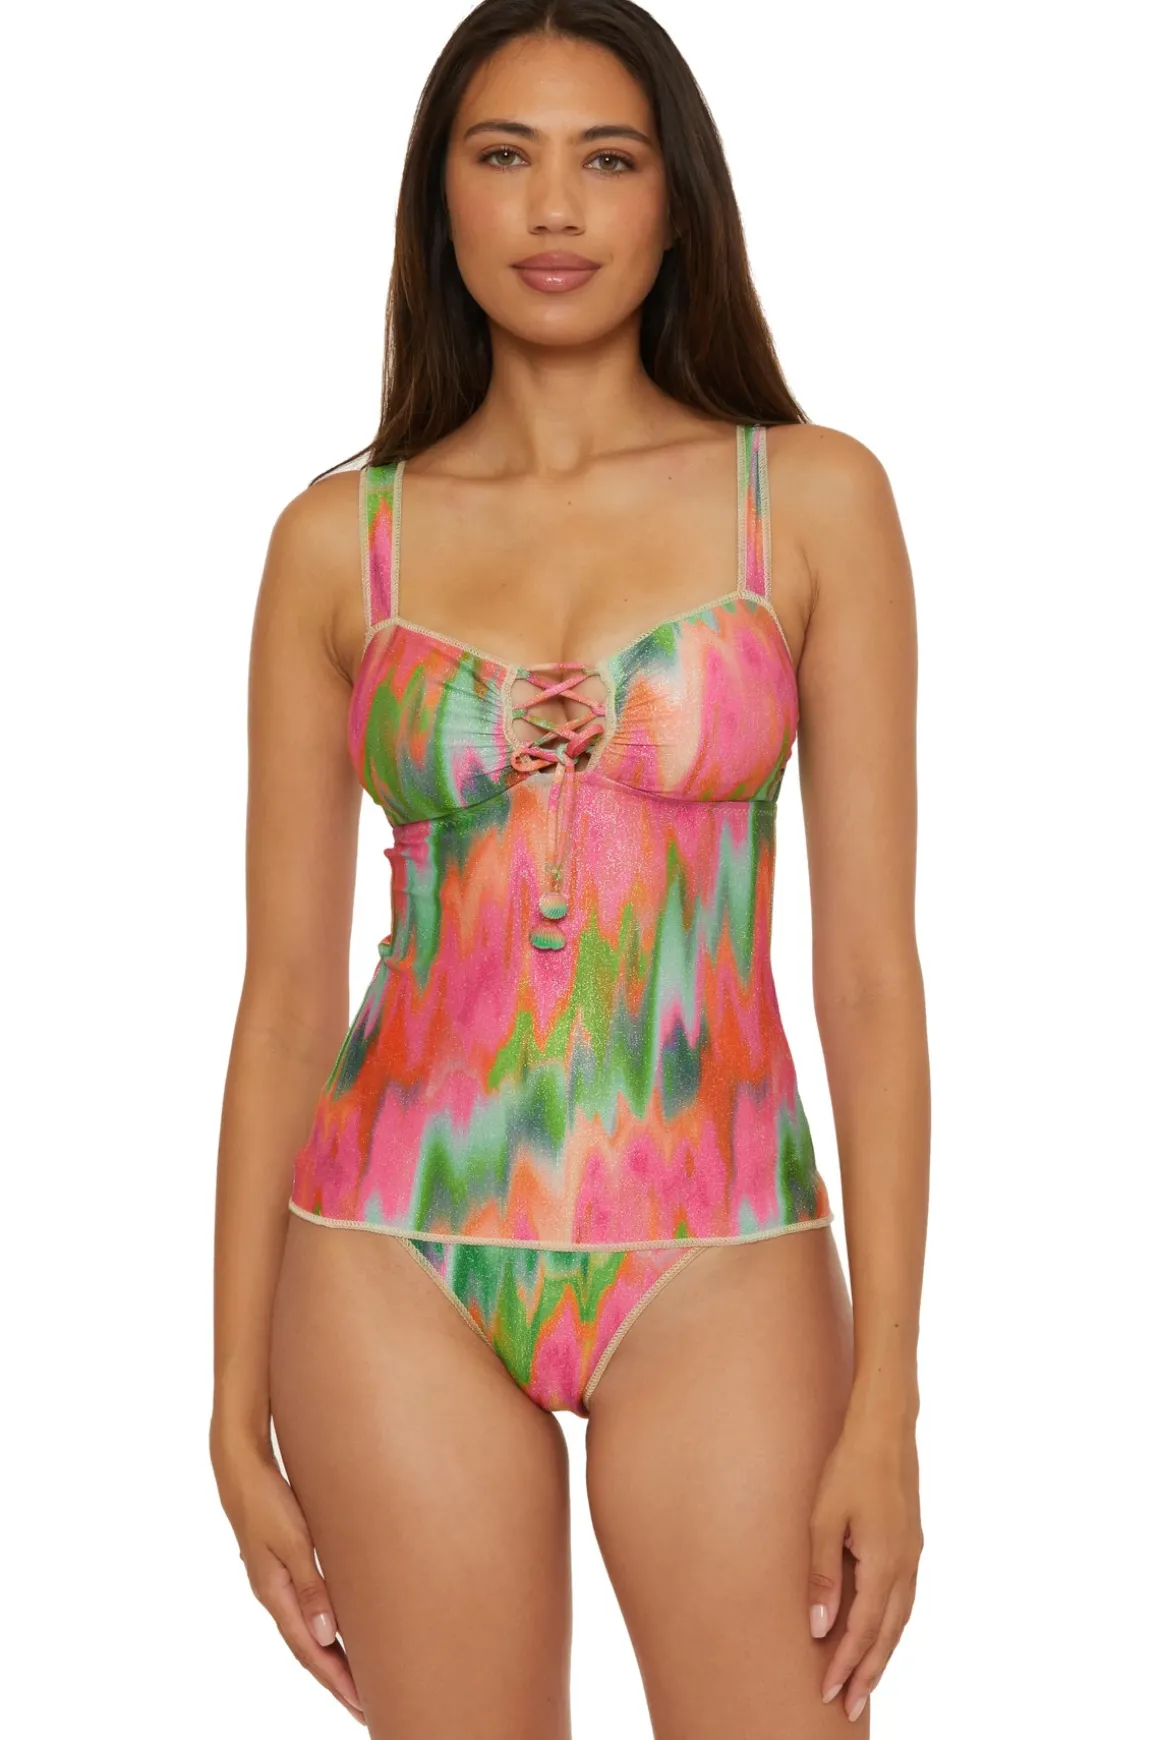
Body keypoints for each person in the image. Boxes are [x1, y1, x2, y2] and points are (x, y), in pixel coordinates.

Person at [209, 2, 929, 1734]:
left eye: (606, 159)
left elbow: (869, 976)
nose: (553, 208)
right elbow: (287, 992)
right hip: (386, 1249)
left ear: (676, 203)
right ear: (439, 199)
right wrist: (229, 1405)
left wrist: (890, 1400)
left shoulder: (809, 501)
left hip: (720, 1245)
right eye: (503, 155)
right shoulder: (339, 540)